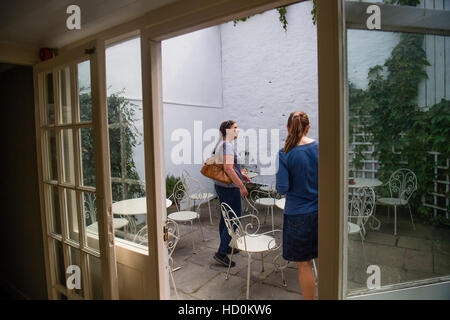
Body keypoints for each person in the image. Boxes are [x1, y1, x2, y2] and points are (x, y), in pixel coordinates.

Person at [276, 111, 318, 300]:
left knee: (304, 265)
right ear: (308, 127)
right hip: (322, 212)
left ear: (287, 128)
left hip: (298, 216)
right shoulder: (320, 147)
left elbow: (282, 188)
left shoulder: (285, 152)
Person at [213, 120, 251, 267]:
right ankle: (221, 253)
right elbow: (228, 169)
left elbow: (228, 167)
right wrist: (241, 185)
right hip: (229, 188)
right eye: (235, 128)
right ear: (228, 130)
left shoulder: (220, 144)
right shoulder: (227, 146)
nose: (237, 130)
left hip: (221, 186)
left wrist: (241, 174)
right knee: (234, 218)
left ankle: (225, 245)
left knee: (225, 218)